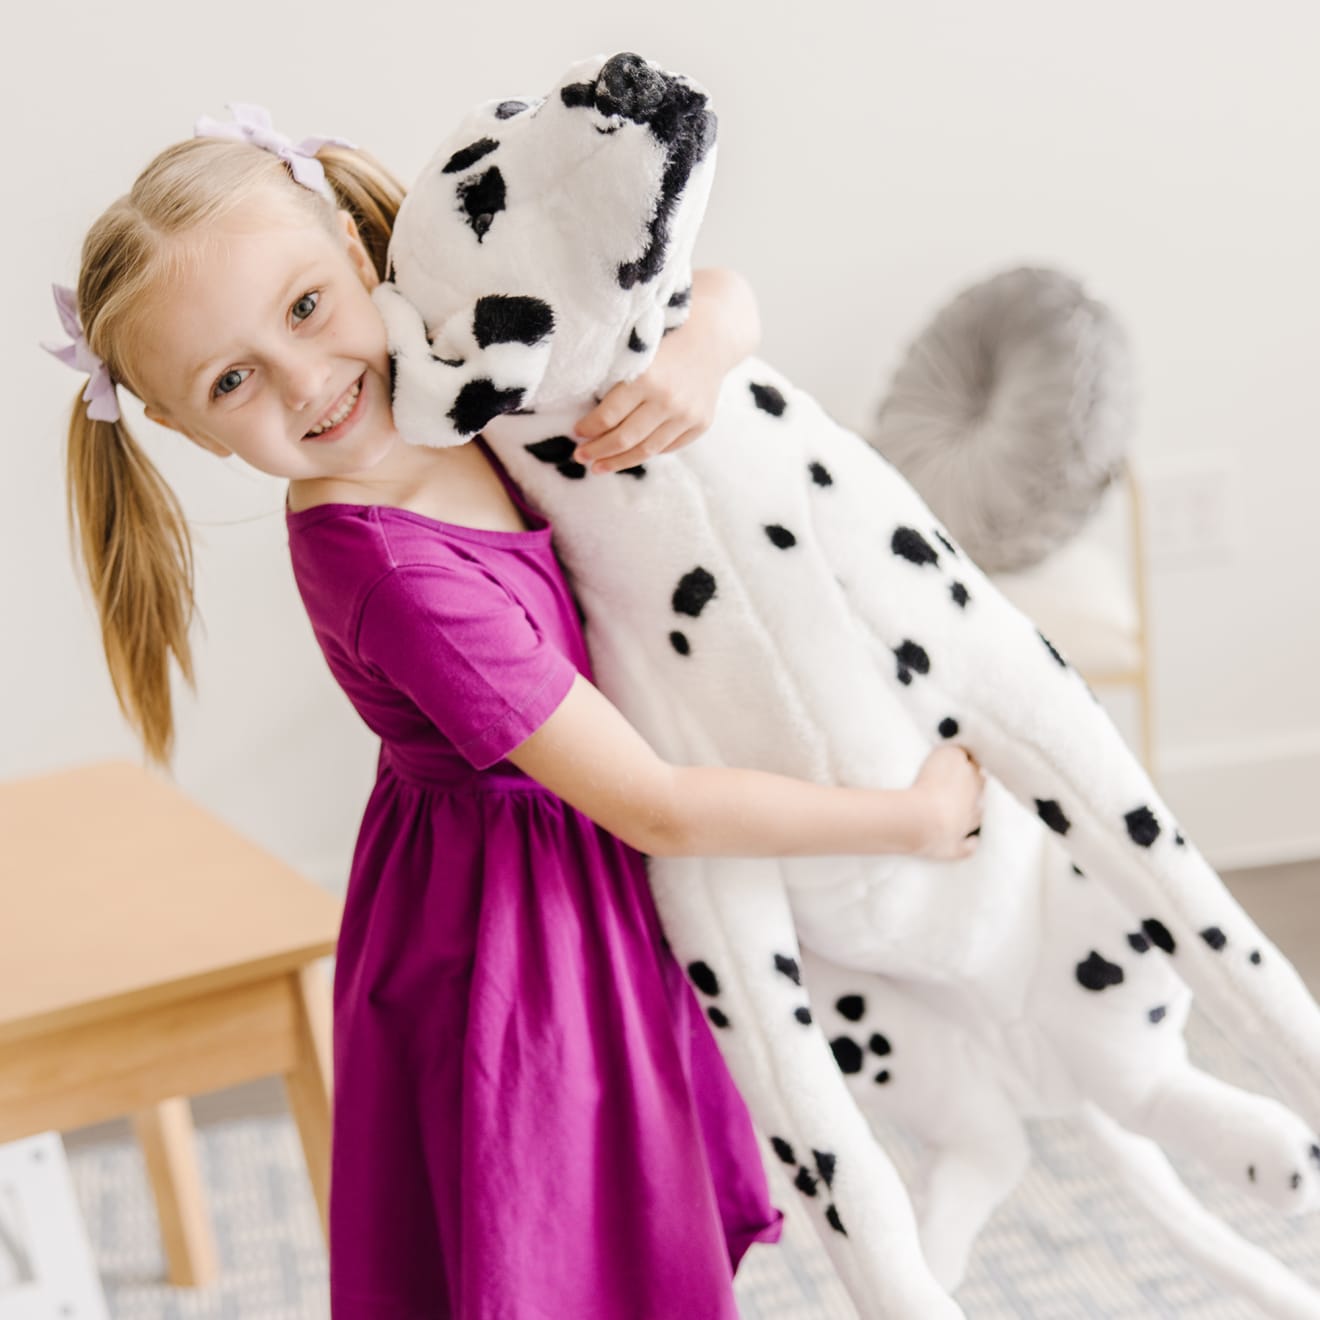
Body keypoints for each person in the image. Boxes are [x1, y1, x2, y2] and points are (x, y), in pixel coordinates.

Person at [48, 110, 986, 1319]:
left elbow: (717, 292)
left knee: (632, 1237)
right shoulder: (395, 576)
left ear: (354, 251)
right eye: (234, 382)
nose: (308, 381)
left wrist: (697, 355)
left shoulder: (456, 359)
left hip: (567, 878)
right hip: (512, 947)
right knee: (559, 1256)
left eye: (306, 308)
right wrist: (912, 821)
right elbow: (656, 806)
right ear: (184, 429)